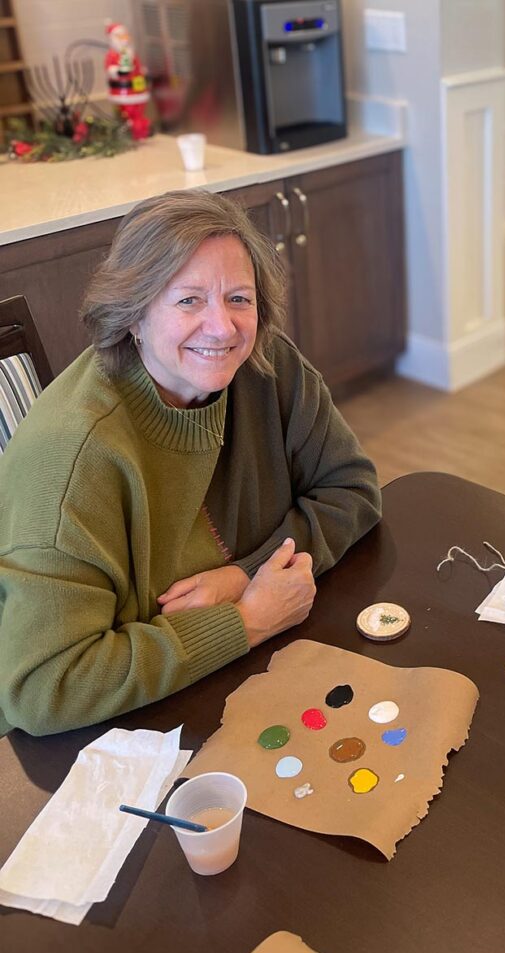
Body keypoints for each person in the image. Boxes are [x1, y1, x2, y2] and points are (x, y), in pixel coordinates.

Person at [0, 190, 381, 735]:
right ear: (133, 313)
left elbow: (352, 489)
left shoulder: (265, 365)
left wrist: (242, 576)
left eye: (239, 298)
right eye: (188, 300)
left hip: (233, 682)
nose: (222, 328)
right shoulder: (71, 460)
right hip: (101, 738)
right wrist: (246, 621)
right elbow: (44, 689)